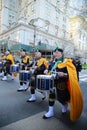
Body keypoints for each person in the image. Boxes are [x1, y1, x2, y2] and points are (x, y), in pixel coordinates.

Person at [43, 46, 83, 122]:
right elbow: (49, 68)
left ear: (61, 53)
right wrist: (46, 70)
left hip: (61, 83)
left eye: (58, 52)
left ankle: (64, 104)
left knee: (61, 98)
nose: (56, 54)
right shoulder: (52, 62)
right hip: (52, 82)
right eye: (55, 52)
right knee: (51, 96)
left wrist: (64, 74)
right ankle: (50, 111)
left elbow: (71, 74)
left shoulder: (66, 62)